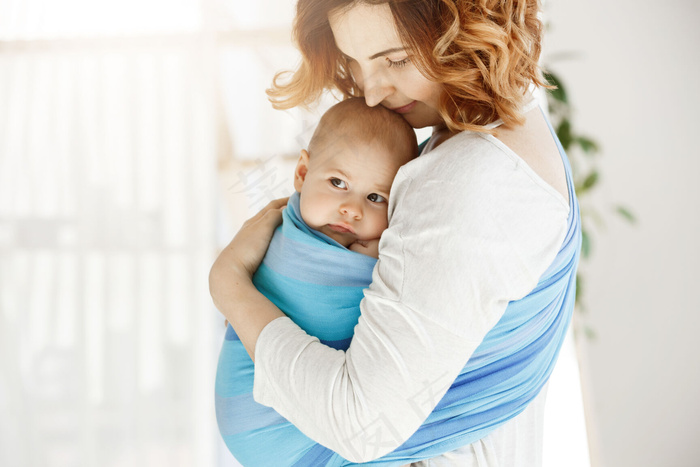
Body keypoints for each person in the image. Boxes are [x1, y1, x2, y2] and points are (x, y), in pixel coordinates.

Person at [209, 1, 581, 465]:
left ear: (463, 24)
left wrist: (229, 285)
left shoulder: (468, 180)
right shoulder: (498, 126)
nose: (369, 92)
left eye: (396, 59)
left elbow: (360, 424)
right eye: (355, 61)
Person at [215, 97, 418, 466]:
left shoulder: (294, 228)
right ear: (303, 174)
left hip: (282, 433)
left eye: (376, 197)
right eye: (338, 182)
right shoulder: (286, 234)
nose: (352, 209)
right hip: (279, 428)